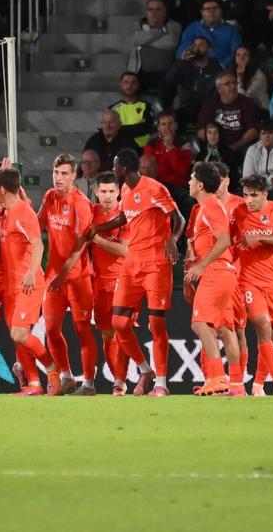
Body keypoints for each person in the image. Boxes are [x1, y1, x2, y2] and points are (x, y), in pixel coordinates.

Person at [79, 149, 182, 396]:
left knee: (156, 324)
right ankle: (144, 369)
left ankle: (161, 384)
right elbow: (125, 218)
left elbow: (178, 218)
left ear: (123, 168)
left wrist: (172, 238)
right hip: (132, 265)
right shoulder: (125, 190)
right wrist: (98, 228)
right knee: (119, 324)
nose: (113, 170)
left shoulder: (155, 189)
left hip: (156, 264)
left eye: (114, 166)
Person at [37, 154, 96, 395]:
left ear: (74, 176)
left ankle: (89, 384)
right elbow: (38, 223)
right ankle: (66, 376)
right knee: (51, 329)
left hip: (78, 278)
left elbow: (81, 244)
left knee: (82, 330)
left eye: (64, 174)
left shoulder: (81, 203)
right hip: (54, 276)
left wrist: (63, 273)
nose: (58, 178)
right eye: (56, 173)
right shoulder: (50, 197)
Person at [182, 162, 240, 396]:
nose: (188, 182)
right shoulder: (208, 207)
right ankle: (236, 384)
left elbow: (225, 240)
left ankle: (217, 377)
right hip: (222, 271)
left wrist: (202, 265)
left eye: (191, 178)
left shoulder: (209, 206)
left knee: (199, 323)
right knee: (225, 328)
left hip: (215, 271)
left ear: (200, 184)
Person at [234, 175, 273, 396]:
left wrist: (259, 238)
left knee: (270, 335)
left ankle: (258, 385)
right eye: (246, 194)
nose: (249, 200)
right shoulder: (238, 212)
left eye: (254, 195)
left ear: (265, 195)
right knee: (262, 323)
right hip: (249, 280)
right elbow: (225, 236)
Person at [88, 173, 130, 395]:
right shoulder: (91, 213)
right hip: (98, 282)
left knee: (120, 330)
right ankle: (118, 380)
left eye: (111, 191)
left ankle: (120, 382)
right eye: (103, 191)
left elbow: (125, 249)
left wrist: (97, 239)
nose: (107, 196)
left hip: (121, 280)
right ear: (96, 192)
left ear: (118, 193)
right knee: (106, 334)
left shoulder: (125, 215)